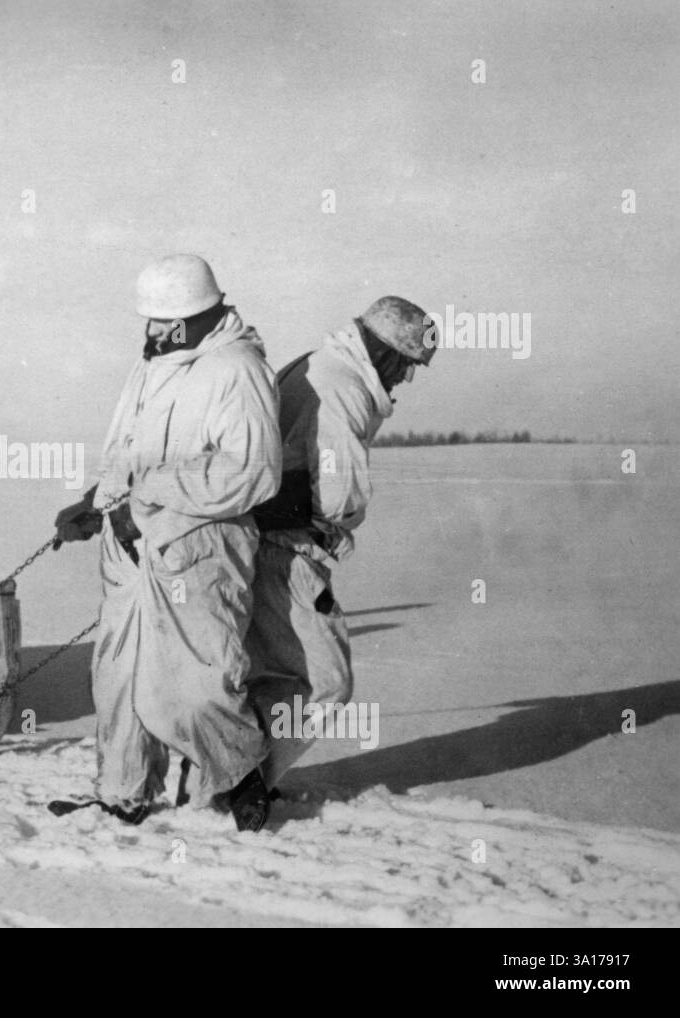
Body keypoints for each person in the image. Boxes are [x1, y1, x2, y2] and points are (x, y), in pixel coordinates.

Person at [51, 254, 282, 830]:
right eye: (149, 320)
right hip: (128, 546)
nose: (149, 332)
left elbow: (253, 472)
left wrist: (147, 497)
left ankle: (241, 773)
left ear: (194, 315)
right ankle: (122, 792)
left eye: (160, 321)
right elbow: (128, 448)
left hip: (198, 547)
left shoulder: (237, 370)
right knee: (119, 677)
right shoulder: (155, 363)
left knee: (200, 681)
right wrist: (98, 499)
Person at [246, 296, 438, 790]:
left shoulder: (317, 365)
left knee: (274, 674)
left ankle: (237, 778)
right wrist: (340, 524)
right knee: (326, 680)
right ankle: (242, 785)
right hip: (288, 549)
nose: (406, 379)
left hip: (261, 541)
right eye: (406, 364)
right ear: (385, 351)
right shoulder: (344, 389)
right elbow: (340, 496)